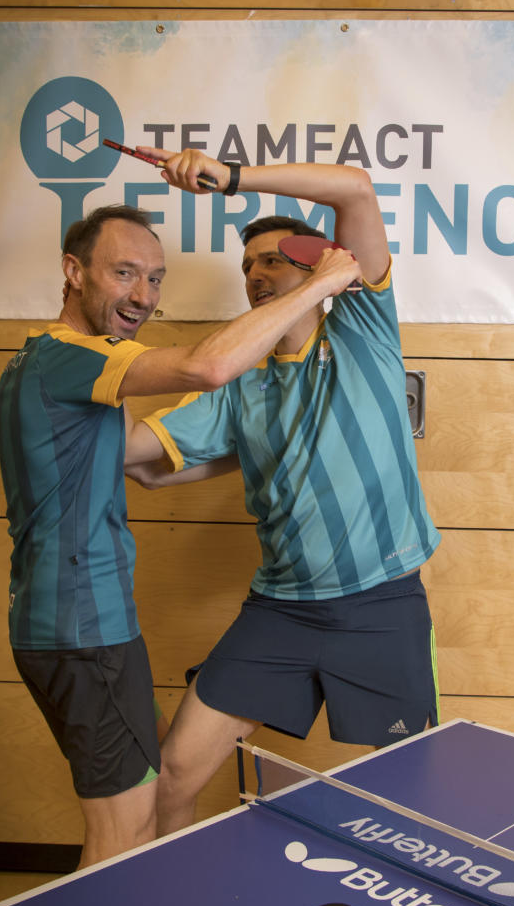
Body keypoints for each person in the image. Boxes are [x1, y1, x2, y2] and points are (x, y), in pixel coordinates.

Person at [0, 200, 360, 873]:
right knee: (123, 833)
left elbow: (139, 464)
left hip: (66, 627)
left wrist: (266, 446)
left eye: (155, 278)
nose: (143, 295)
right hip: (85, 630)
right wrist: (323, 282)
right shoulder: (71, 357)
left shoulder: (35, 364)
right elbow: (206, 368)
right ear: (74, 272)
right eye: (124, 273)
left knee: (155, 784)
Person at [125, 149, 441, 837]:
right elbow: (138, 460)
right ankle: (175, 898)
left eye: (273, 259)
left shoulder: (360, 329)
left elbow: (354, 189)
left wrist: (231, 178)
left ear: (316, 266)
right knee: (174, 774)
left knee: (408, 801)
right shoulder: (238, 381)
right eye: (248, 266)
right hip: (281, 611)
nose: (256, 274)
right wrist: (87, 370)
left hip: (381, 604)